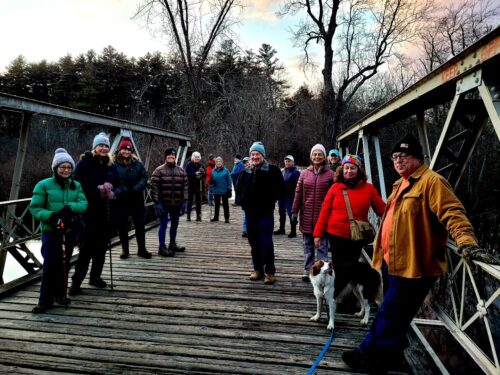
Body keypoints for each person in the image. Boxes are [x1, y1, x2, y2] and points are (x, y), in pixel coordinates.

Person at [341, 134, 494, 373]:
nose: (398, 161)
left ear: (418, 158)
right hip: (392, 262)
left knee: (390, 314)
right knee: (395, 315)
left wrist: (466, 241)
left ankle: (367, 356)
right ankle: (393, 356)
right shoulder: (400, 183)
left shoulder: (432, 182)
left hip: (414, 265)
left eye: (404, 156)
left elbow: (453, 212)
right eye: (394, 157)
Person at [313, 154, 386, 293]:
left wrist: (397, 221)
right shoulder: (335, 188)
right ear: (342, 170)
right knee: (339, 268)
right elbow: (324, 212)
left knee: (352, 267)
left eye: (352, 168)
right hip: (336, 235)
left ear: (359, 170)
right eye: (346, 168)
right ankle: (337, 296)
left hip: (356, 236)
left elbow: (383, 210)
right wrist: (317, 234)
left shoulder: (368, 189)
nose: (349, 171)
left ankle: (349, 298)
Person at [29, 148, 88, 312]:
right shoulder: (43, 185)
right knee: (50, 265)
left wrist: (70, 208)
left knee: (64, 263)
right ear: (55, 168)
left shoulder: (76, 185)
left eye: (69, 167)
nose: (66, 170)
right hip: (51, 231)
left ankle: (61, 295)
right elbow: (35, 208)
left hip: (70, 230)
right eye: (62, 167)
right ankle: (44, 301)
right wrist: (52, 216)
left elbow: (83, 204)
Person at [70, 132, 121, 295]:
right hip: (88, 213)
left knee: (101, 248)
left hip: (106, 212)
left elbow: (120, 184)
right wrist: (97, 190)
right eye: (101, 145)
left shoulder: (111, 165)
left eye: (106, 145)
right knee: (86, 250)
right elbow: (75, 185)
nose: (104, 148)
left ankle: (95, 277)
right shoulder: (84, 163)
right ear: (95, 147)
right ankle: (76, 283)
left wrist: (114, 192)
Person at [236, 141, 285, 285]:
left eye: (257, 154)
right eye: (252, 154)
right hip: (250, 213)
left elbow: (281, 189)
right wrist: (242, 203)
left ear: (262, 155)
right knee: (253, 242)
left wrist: (270, 199)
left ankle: (269, 272)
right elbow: (238, 189)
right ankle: (258, 269)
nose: (255, 156)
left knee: (266, 242)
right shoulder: (245, 172)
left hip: (265, 213)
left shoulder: (273, 170)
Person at [292, 144, 335, 282]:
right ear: (311, 156)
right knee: (308, 246)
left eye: (320, 154)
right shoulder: (304, 173)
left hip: (323, 217)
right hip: (306, 216)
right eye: (315, 154)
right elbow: (298, 193)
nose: (317, 157)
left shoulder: (331, 175)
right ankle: (308, 269)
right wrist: (294, 212)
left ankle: (323, 272)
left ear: (324, 156)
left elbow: (335, 196)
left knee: (322, 247)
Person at [113, 137, 152, 260]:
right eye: (124, 149)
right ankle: (125, 250)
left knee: (140, 225)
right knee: (122, 226)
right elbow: (113, 180)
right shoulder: (114, 165)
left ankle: (142, 249)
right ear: (120, 150)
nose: (127, 152)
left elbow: (144, 178)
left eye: (129, 150)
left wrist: (136, 188)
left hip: (137, 199)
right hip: (121, 200)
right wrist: (123, 189)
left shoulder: (138, 164)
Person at [151, 147, 188, 257]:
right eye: (169, 156)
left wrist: (184, 200)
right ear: (166, 157)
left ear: (175, 157)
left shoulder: (181, 171)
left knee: (175, 224)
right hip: (163, 203)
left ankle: (172, 244)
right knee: (163, 224)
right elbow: (154, 187)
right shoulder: (158, 170)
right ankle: (161, 247)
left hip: (176, 203)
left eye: (173, 156)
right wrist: (156, 202)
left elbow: (185, 187)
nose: (171, 157)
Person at [274, 155, 300, 237]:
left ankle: (293, 231)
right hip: (281, 195)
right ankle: (282, 229)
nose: (287, 163)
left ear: (293, 162)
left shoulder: (296, 172)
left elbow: (297, 185)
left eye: (289, 161)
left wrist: (294, 196)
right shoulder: (282, 171)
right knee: (281, 212)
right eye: (286, 161)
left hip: (289, 196)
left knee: (290, 213)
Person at [209, 156, 232, 223]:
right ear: (215, 163)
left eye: (220, 161)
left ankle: (227, 218)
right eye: (217, 161)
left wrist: (229, 189)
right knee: (216, 205)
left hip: (224, 190)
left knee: (225, 205)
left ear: (222, 163)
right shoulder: (213, 170)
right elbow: (211, 179)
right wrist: (211, 181)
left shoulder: (226, 170)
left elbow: (229, 180)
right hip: (216, 190)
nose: (219, 163)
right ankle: (216, 217)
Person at [185, 151, 205, 221]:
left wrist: (202, 173)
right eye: (196, 157)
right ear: (193, 157)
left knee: (198, 201)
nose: (197, 158)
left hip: (199, 185)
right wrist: (195, 174)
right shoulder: (189, 165)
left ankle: (198, 216)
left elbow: (204, 176)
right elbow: (187, 175)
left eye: (198, 157)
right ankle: (188, 215)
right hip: (191, 184)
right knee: (190, 200)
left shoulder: (201, 165)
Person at [241, 156, 251, 237]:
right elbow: (239, 185)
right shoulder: (243, 172)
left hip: (253, 196)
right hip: (245, 196)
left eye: (248, 161)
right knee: (245, 214)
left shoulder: (255, 171)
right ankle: (244, 230)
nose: (247, 163)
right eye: (245, 162)